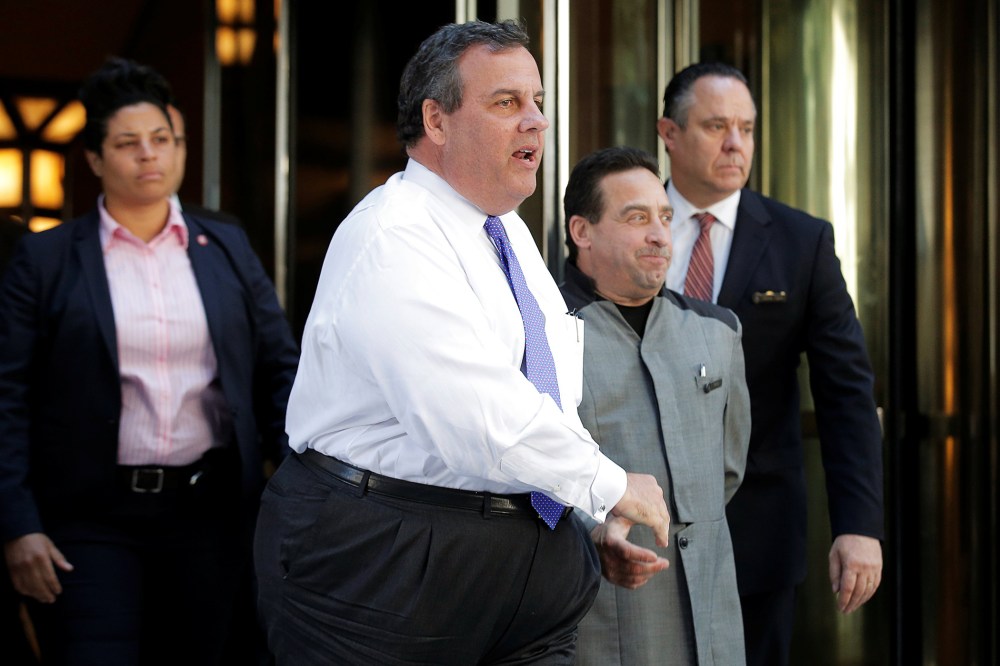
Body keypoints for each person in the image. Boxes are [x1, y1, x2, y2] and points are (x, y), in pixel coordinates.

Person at [253, 20, 671, 666]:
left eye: (537, 102)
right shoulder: (392, 236)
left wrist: (588, 517)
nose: (535, 121)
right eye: (507, 103)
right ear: (437, 120)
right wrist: (607, 483)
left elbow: (541, 399)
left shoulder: (509, 235)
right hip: (386, 569)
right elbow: (473, 412)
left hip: (522, 575)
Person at [0, 57, 299, 665]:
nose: (148, 155)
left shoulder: (226, 245)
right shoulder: (47, 260)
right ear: (94, 158)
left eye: (162, 140)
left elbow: (278, 370)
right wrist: (18, 524)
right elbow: (8, 397)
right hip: (90, 520)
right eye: (128, 143)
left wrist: (301, 495)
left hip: (210, 515)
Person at [656, 62, 884, 665]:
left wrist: (858, 525)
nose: (737, 144)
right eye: (716, 126)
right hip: (640, 522)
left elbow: (846, 392)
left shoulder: (800, 241)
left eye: (747, 128)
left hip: (757, 530)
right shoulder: (624, 226)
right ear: (669, 134)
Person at [560, 146, 750, 665]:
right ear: (583, 231)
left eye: (664, 216)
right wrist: (592, 534)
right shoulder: (541, 336)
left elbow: (727, 473)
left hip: (714, 631)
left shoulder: (719, 332)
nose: (659, 234)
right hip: (599, 627)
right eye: (636, 217)